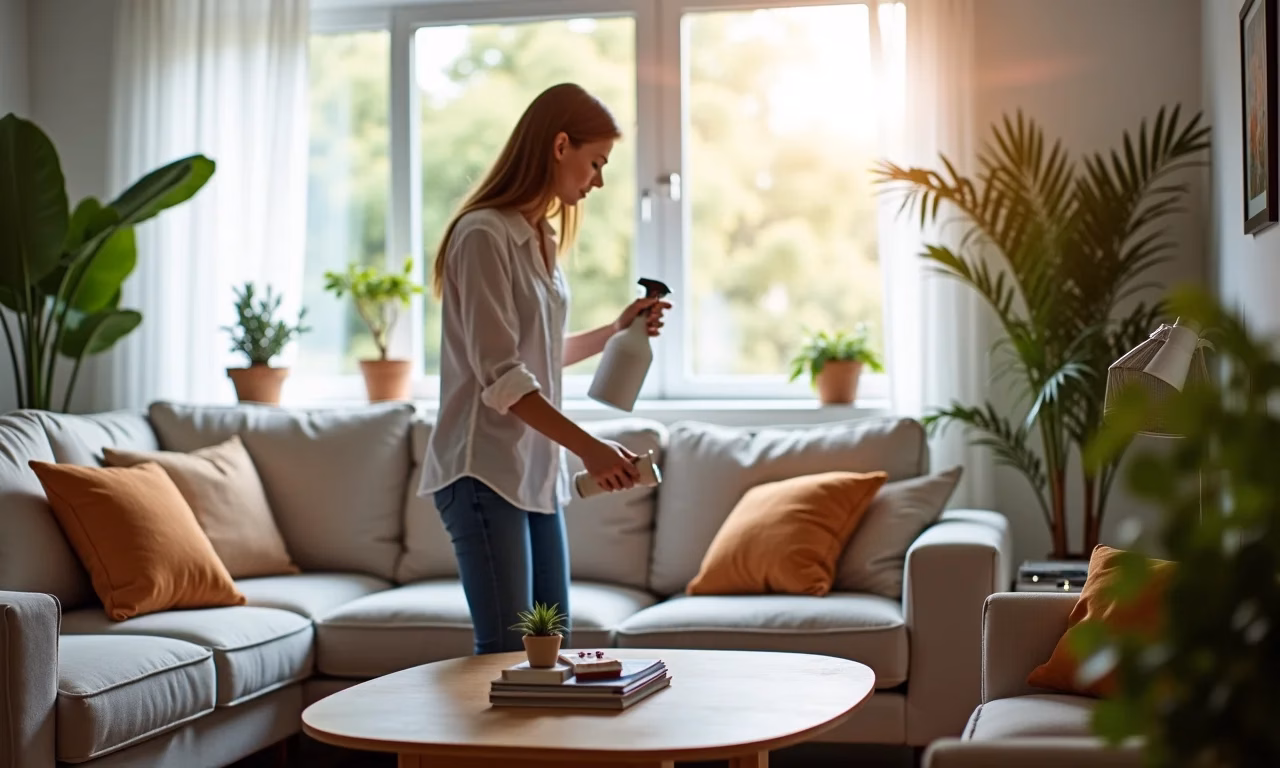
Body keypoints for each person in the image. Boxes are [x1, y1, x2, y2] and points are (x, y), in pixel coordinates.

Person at [418, 83, 672, 656]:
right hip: (482, 474)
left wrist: (615, 330)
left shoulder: (539, 236)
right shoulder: (483, 234)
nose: (598, 181)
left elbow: (536, 352)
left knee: (550, 651)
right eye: (595, 163)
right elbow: (503, 376)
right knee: (513, 656)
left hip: (532, 478)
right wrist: (590, 447)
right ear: (560, 145)